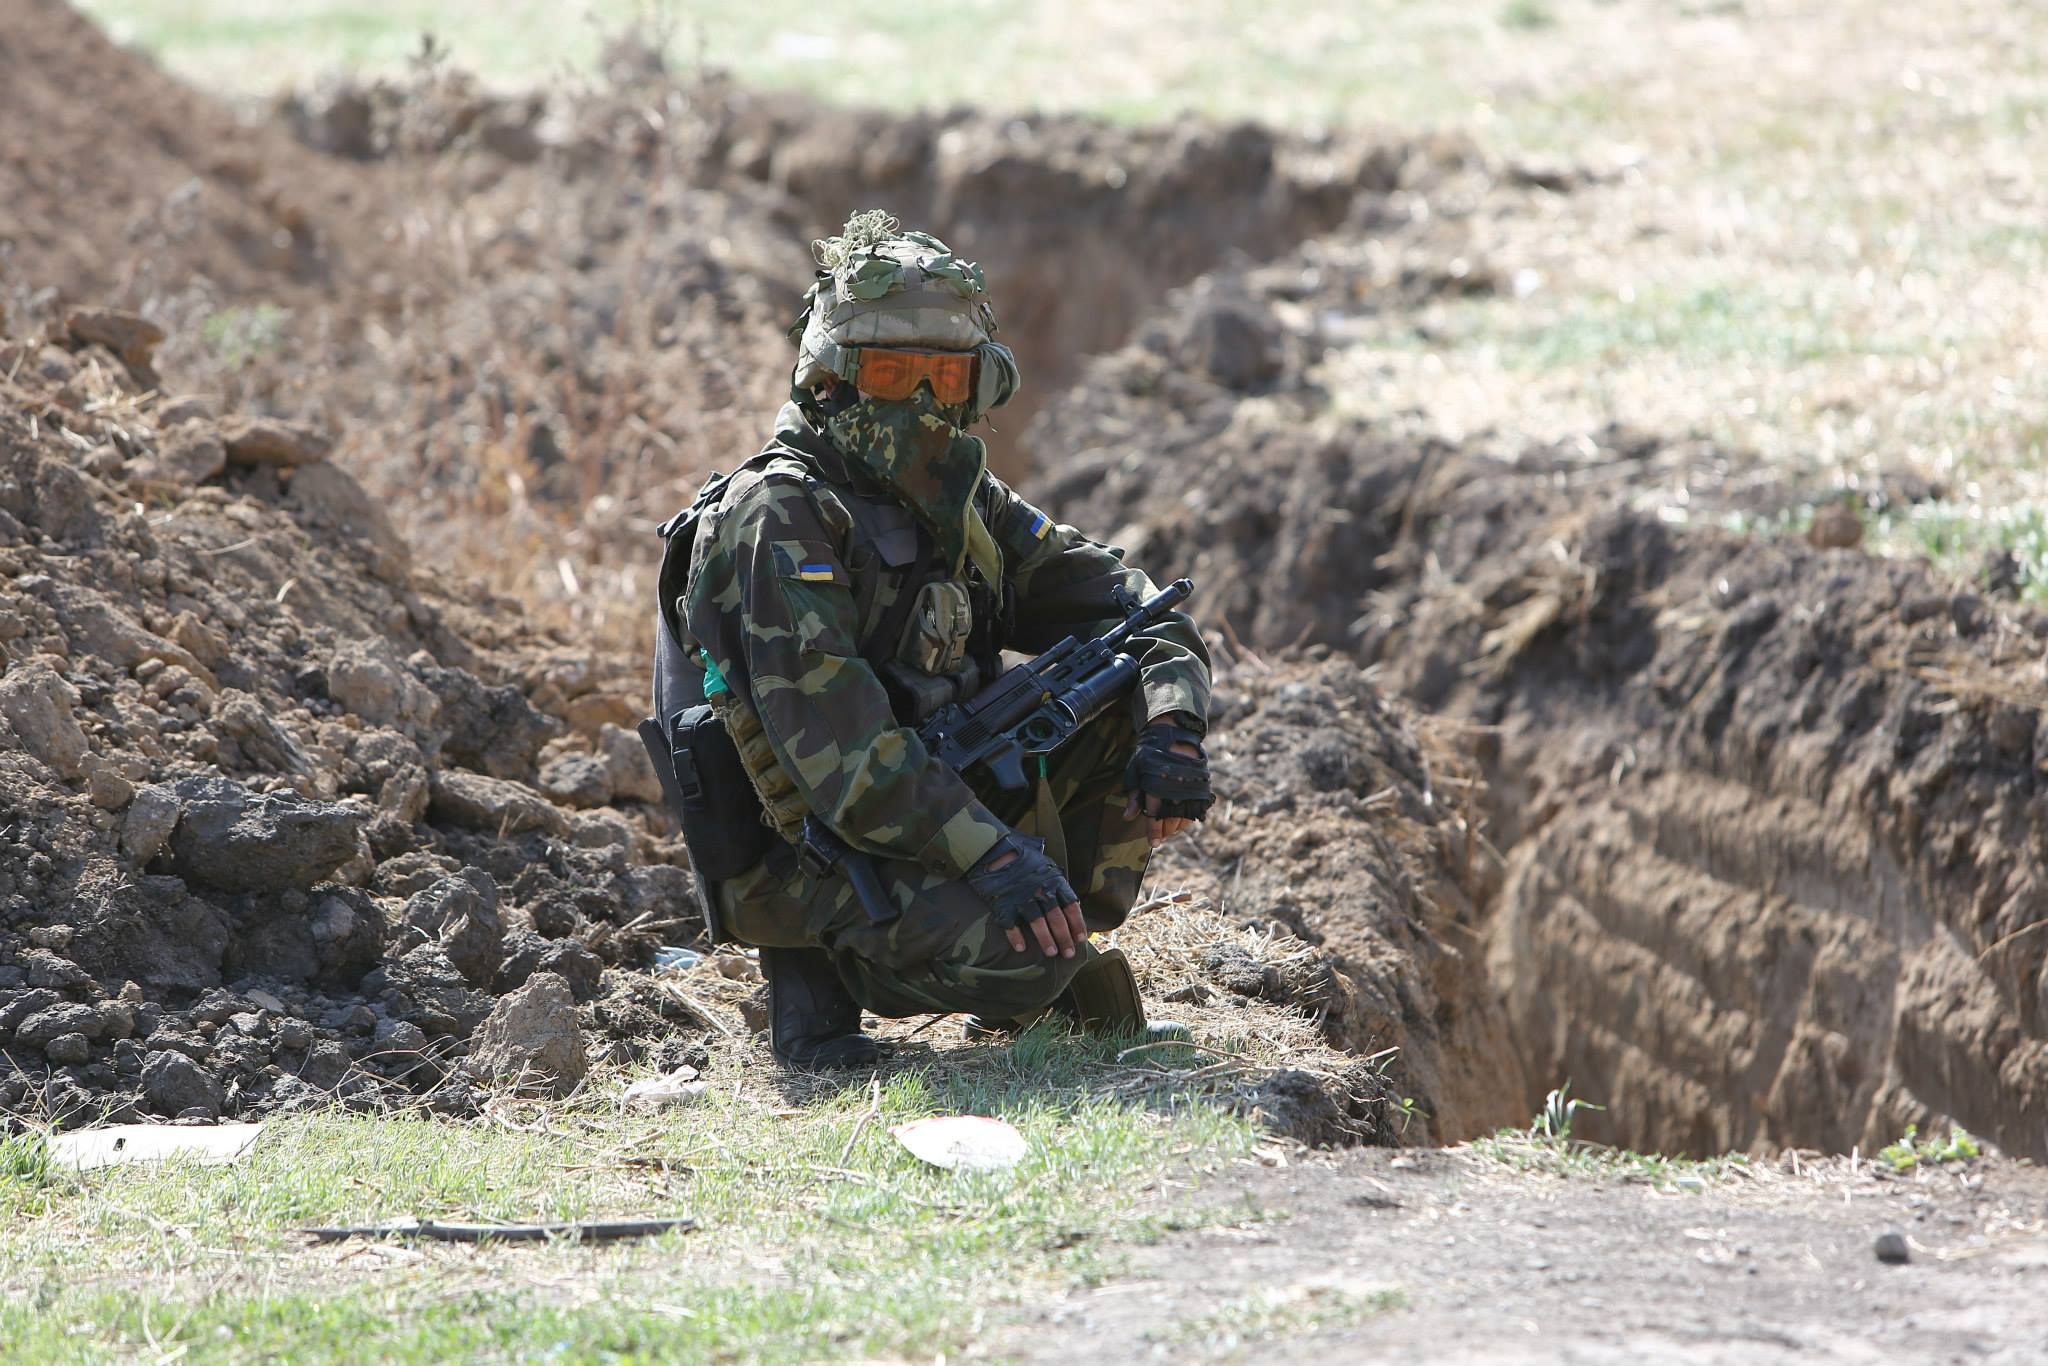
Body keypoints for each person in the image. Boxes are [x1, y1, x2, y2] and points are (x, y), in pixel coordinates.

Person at [650, 212, 1212, 1068]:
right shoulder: (778, 516)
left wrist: (1173, 726)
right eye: (888, 372)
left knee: (1118, 682)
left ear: (979, 385)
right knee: (1029, 960)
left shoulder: (957, 496)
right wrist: (997, 859)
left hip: (931, 796)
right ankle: (820, 982)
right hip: (811, 851)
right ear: (829, 378)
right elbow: (847, 763)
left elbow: (1136, 605)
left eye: (942, 377)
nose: (916, 402)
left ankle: (1026, 964)